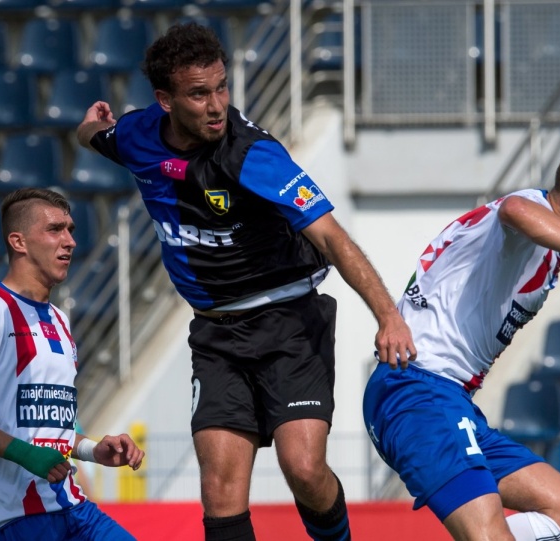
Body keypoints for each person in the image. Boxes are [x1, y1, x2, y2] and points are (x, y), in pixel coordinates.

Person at [75, 22, 415, 541]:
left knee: (303, 470)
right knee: (220, 490)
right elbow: (96, 136)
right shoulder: (139, 135)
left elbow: (333, 238)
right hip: (214, 336)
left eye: (221, 88)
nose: (216, 106)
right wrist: (91, 124)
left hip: (289, 325)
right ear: (165, 100)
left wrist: (388, 317)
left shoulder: (253, 156)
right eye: (198, 93)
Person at [363, 139, 560, 541]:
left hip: (452, 400)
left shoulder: (551, 245)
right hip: (418, 390)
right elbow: (515, 210)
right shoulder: (526, 209)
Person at [0, 188, 145, 541]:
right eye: (55, 230)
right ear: (18, 241)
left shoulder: (59, 319)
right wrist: (23, 454)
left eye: (70, 229)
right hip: (15, 518)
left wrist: (93, 449)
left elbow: (52, 427)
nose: (70, 241)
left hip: (73, 507)